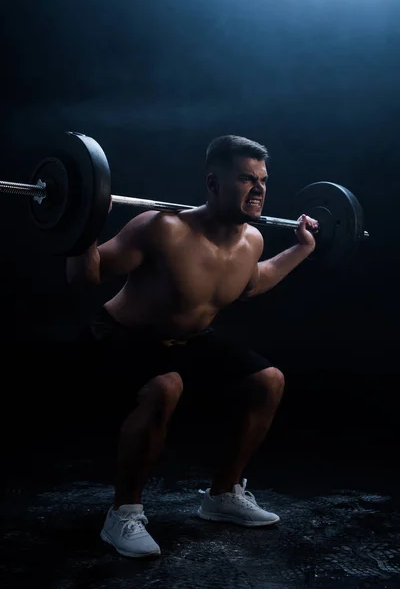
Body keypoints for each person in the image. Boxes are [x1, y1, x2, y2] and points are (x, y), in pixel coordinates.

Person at [66, 135, 318, 559]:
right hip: (121, 334)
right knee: (166, 386)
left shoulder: (251, 240)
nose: (258, 189)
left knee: (268, 381)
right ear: (213, 182)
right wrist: (83, 222)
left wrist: (301, 249)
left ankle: (221, 496)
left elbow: (252, 283)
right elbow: (85, 277)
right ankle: (122, 514)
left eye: (262, 180)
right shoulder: (161, 228)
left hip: (190, 340)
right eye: (245, 178)